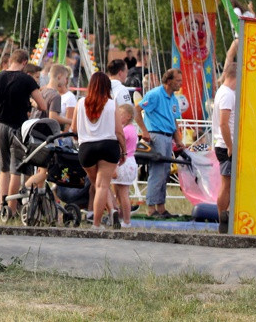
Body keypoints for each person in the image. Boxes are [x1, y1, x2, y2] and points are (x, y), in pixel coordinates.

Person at [0, 49, 47, 217]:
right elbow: (42, 105)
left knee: (3, 168)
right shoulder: (27, 80)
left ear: (11, 60)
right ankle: (12, 208)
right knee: (15, 169)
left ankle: (2, 207)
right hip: (19, 127)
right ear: (25, 62)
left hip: (0, 125)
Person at [73, 72, 126, 229]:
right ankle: (97, 223)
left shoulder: (80, 103)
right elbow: (119, 132)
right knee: (103, 185)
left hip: (86, 148)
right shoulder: (111, 104)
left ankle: (110, 211)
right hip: (108, 147)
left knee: (96, 183)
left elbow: (74, 129)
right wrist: (123, 151)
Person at [135, 68, 184, 218]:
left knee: (165, 172)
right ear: (169, 81)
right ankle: (151, 208)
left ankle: (161, 207)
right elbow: (137, 110)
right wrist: (145, 131)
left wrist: (178, 141)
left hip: (168, 137)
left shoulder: (174, 99)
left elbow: (173, 121)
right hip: (157, 135)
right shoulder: (155, 94)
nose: (180, 84)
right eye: (178, 81)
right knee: (157, 172)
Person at [212, 63, 238, 234]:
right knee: (227, 183)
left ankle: (224, 217)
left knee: (228, 183)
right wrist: (230, 146)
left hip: (224, 143)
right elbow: (223, 123)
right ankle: (222, 218)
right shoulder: (228, 94)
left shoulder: (224, 92)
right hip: (225, 145)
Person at [111, 103, 138, 228]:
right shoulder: (131, 129)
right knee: (120, 192)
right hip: (130, 161)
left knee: (123, 193)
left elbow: (119, 146)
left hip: (124, 162)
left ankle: (126, 221)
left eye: (121, 114)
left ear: (128, 116)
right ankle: (122, 217)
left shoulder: (125, 131)